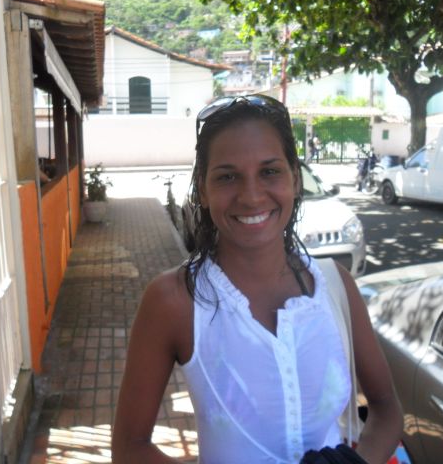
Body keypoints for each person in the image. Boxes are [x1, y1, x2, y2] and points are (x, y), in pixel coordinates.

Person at [112, 94, 403, 463]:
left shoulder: (335, 287)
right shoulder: (174, 300)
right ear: (203, 189)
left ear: (294, 178)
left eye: (269, 171)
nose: (251, 197)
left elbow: (386, 408)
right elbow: (129, 447)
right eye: (227, 176)